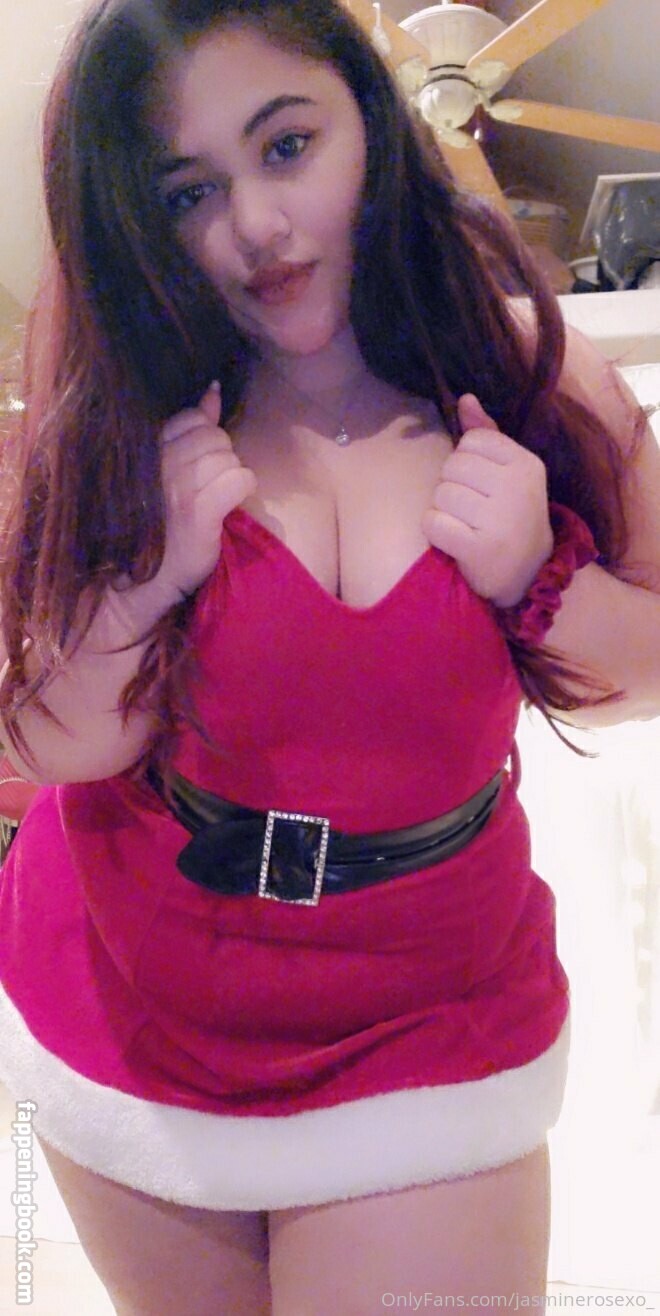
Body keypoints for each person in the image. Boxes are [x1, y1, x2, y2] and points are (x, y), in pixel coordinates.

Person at [1, 1, 659, 1312]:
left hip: (430, 1020)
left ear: (369, 119)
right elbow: (42, 742)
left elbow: (647, 668)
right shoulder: (114, 406)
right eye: (189, 192)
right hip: (131, 1007)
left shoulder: (530, 372)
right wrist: (143, 588)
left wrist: (540, 578)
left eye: (288, 146)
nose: (255, 226)